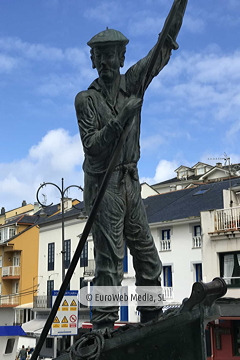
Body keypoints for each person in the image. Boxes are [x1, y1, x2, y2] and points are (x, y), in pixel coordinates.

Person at [75, 0, 188, 331]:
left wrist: (179, 9)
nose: (107, 61)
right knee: (109, 263)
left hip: (130, 182)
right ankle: (104, 327)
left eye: (113, 55)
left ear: (122, 58)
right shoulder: (87, 100)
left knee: (149, 259)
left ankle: (152, 320)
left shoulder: (133, 82)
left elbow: (161, 50)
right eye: (101, 55)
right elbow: (92, 147)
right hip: (104, 184)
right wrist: (121, 118)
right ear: (93, 60)